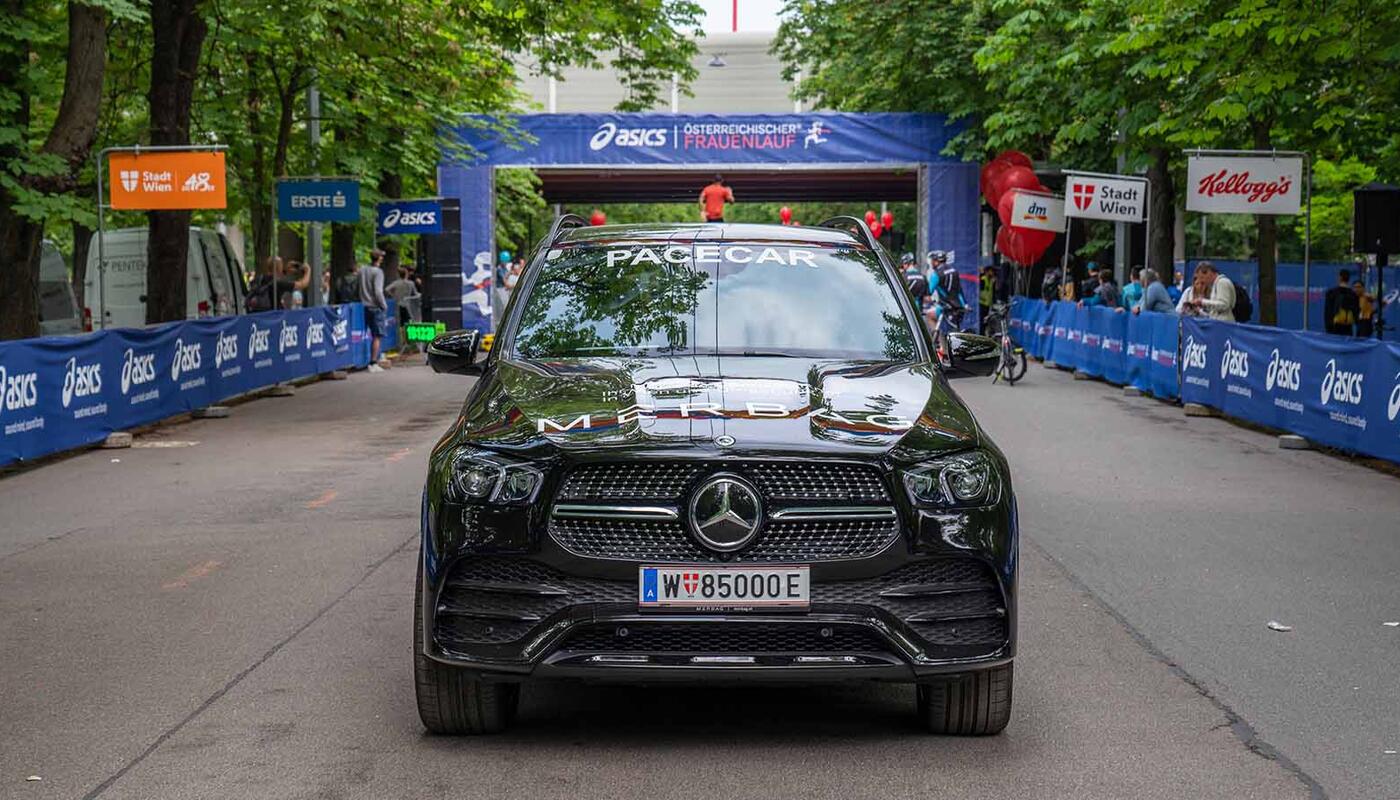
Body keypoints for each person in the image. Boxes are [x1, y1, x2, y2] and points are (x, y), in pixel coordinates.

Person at [359, 248, 389, 371]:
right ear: (379, 258)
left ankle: (367, 360)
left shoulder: (363, 270)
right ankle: (373, 362)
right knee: (377, 336)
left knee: (364, 334)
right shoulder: (378, 272)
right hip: (375, 307)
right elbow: (378, 291)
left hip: (363, 306)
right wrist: (384, 305)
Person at [246, 256, 311, 312]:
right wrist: (308, 270)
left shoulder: (260, 278)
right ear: (279, 268)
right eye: (281, 265)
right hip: (273, 317)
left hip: (259, 315)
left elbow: (276, 274)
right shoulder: (278, 283)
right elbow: (303, 284)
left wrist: (285, 271)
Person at [1324, 269, 1359, 336]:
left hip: (1334, 328)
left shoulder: (1331, 293)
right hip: (1348, 328)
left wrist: (1328, 328)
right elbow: (1356, 312)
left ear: (1340, 277)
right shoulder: (1353, 294)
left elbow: (1328, 312)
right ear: (1349, 279)